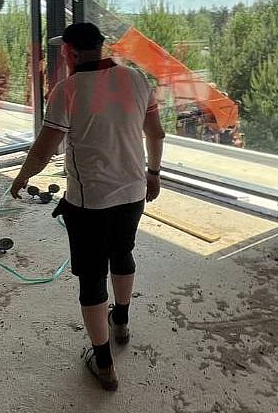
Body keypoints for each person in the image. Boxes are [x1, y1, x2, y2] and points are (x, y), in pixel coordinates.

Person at [11, 21, 165, 392]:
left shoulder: (67, 90)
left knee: (93, 277)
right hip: (133, 194)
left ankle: (104, 363)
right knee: (123, 253)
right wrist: (154, 174)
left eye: (63, 51)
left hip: (90, 202)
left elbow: (44, 150)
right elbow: (156, 133)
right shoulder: (136, 80)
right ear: (101, 46)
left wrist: (21, 178)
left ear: (70, 52)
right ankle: (121, 322)